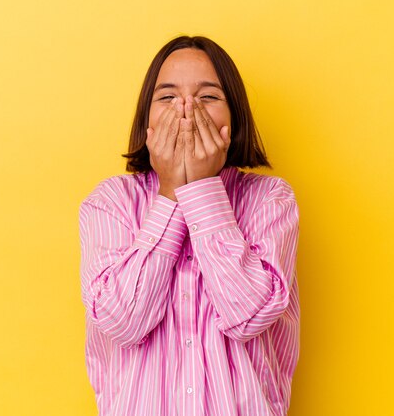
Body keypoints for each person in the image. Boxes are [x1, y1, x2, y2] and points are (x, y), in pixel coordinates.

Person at [78, 35, 300, 416]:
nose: (186, 111)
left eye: (208, 97)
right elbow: (122, 322)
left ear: (235, 117)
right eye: (167, 97)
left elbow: (250, 314)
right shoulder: (110, 203)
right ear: (146, 121)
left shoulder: (270, 200)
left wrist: (201, 188)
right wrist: (170, 193)